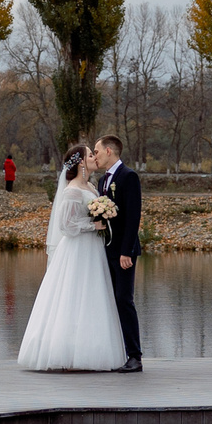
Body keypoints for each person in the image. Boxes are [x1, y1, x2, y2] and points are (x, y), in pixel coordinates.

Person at [15, 143, 128, 371]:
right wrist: (93, 224)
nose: (94, 158)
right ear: (79, 162)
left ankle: (90, 352)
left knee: (92, 297)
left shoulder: (93, 187)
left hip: (93, 250)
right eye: (89, 155)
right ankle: (65, 353)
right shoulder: (73, 189)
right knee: (72, 296)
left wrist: (102, 221)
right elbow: (65, 225)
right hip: (76, 250)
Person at [93, 135, 144, 373]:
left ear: (110, 151)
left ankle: (135, 356)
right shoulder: (103, 180)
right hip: (107, 250)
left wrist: (127, 252)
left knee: (124, 300)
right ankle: (117, 353)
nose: (95, 155)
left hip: (123, 252)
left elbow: (133, 217)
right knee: (112, 301)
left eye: (97, 151)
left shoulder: (128, 176)